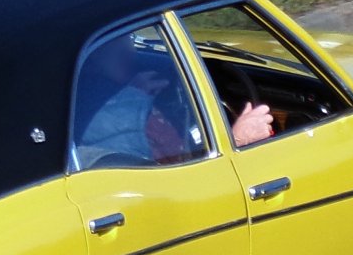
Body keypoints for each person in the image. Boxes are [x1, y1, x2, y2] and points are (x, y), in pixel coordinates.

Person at [76, 31, 273, 165]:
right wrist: (237, 138)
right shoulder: (146, 120)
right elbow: (193, 180)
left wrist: (131, 94)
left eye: (128, 37)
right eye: (114, 41)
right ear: (89, 55)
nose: (131, 50)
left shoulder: (72, 104)